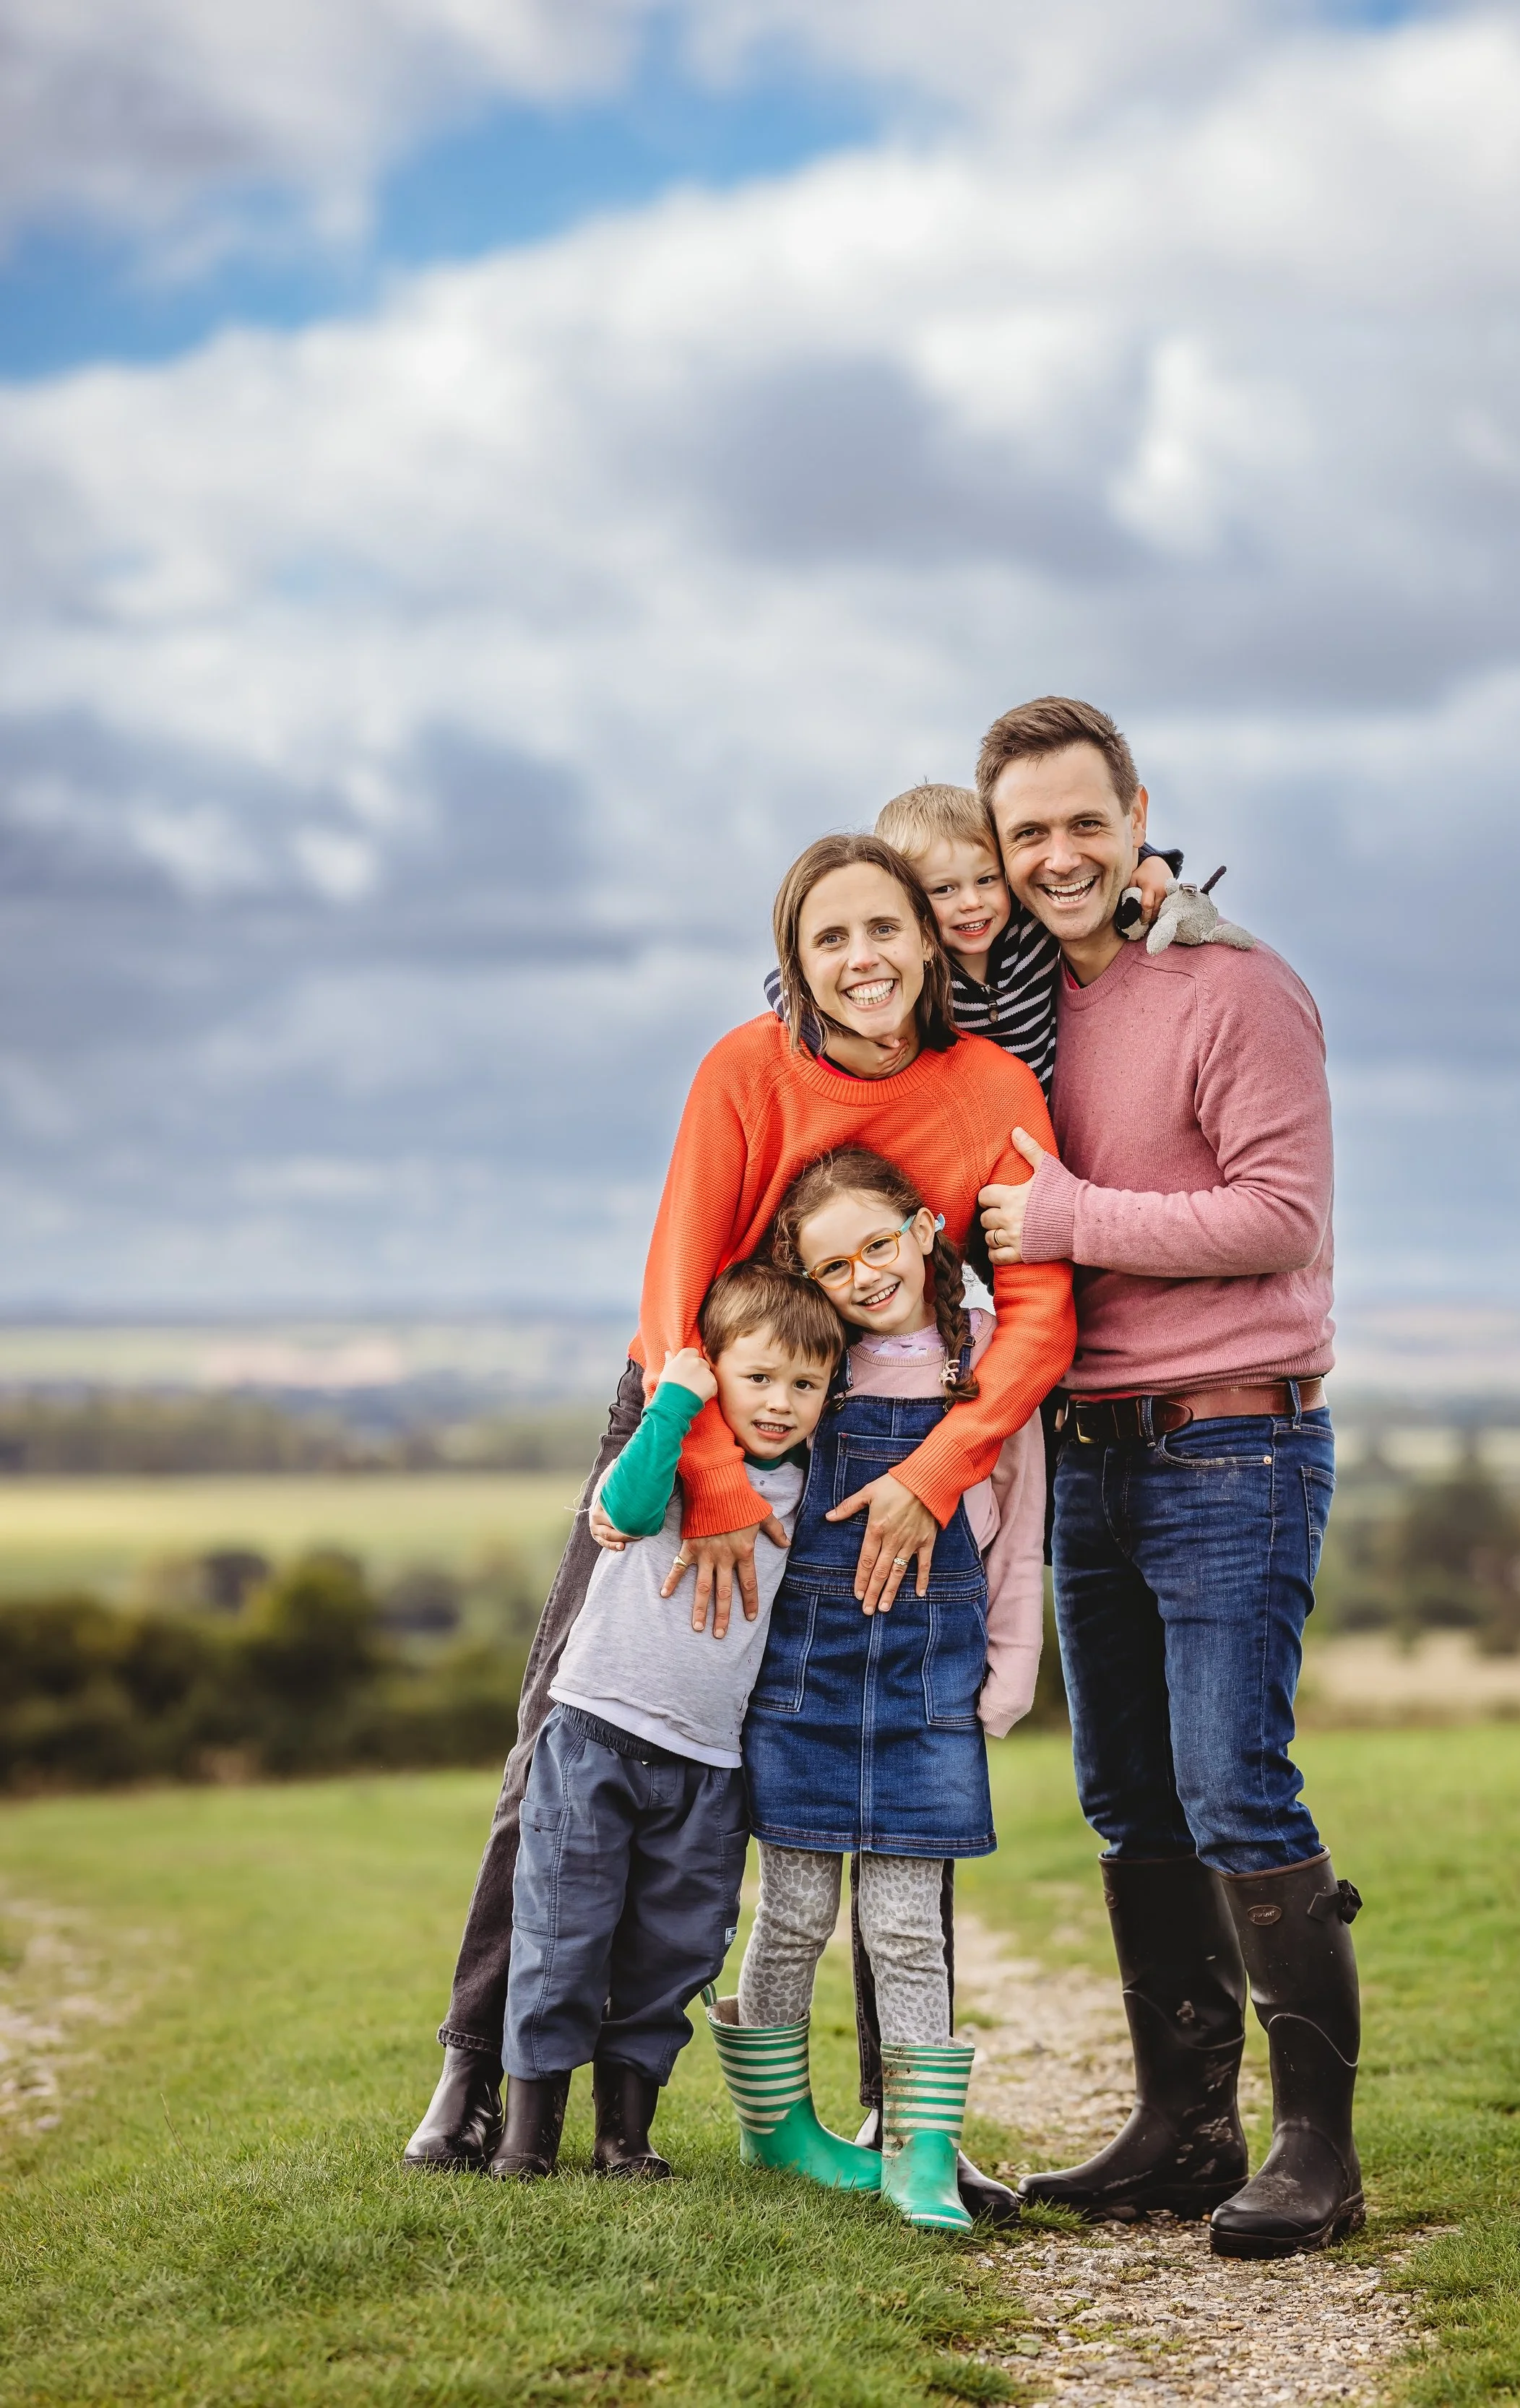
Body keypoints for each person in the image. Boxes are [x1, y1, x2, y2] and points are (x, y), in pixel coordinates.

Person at [405, 832, 1074, 2224]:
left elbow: (1039, 1307)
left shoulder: (995, 1088)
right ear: (796, 957)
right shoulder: (743, 1069)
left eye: (884, 927)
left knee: (903, 1751)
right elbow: (676, 1279)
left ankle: (907, 2123)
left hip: (896, 1447)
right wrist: (705, 1471)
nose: (863, 958)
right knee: (570, 1731)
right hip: (695, 1415)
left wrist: (944, 1468)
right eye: (829, 936)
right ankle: (477, 2072)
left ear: (930, 941)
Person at [975, 694, 1363, 2259]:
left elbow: (1278, 1215)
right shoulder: (1023, 1006)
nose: (1056, 854)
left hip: (1231, 1438)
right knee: (1127, 1795)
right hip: (1088, 1453)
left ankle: (1315, 2154)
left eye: (1082, 820)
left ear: (1138, 810)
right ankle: (1182, 2127)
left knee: (1229, 1784)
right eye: (1025, 834)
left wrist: (1073, 1218)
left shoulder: (1238, 986)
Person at [706, 1147, 1045, 2233]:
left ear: (925, 1228)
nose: (862, 1275)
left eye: (878, 1245)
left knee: (906, 1926)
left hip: (930, 1682)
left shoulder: (983, 1351)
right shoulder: (812, 1365)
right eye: (834, 1263)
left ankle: (921, 2151)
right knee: (796, 1909)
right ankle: (777, 2126)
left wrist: (1010, 1668)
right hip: (804, 1679)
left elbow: (1022, 1523)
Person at [484, 1260, 843, 2182]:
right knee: (563, 1934)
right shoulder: (674, 1455)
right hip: (596, 1736)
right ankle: (526, 2142)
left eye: (805, 1385)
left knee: (675, 1949)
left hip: (707, 1765)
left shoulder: (812, 1491)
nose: (780, 1402)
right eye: (758, 1378)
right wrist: (674, 1404)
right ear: (713, 1370)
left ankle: (624, 2140)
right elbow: (624, 1509)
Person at [764, 781, 1188, 1092]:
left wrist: (1151, 865)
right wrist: (836, 1041)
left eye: (986, 879)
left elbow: (1089, 870)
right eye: (944, 890)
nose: (972, 902)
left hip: (1050, 1114)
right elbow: (783, 980)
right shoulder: (915, 967)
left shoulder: (1030, 926)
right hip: (965, 1123)